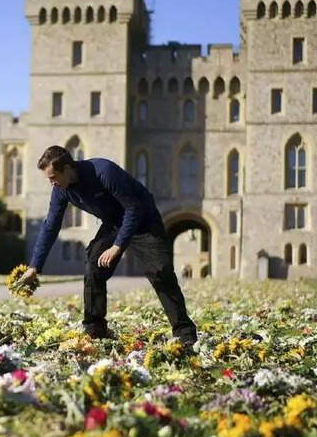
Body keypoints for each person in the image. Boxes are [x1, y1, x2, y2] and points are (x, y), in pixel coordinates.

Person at [14, 146, 198, 350]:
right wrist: (34, 266)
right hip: (113, 223)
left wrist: (118, 245)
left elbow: (133, 208)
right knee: (94, 267)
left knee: (160, 273)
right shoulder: (61, 190)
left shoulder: (103, 171)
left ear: (67, 168)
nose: (51, 183)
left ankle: (185, 333)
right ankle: (95, 332)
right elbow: (51, 225)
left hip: (143, 220)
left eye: (53, 176)